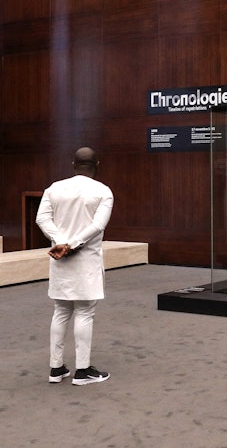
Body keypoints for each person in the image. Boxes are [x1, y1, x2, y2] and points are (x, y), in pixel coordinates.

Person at [36, 147, 114, 385]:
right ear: (97, 164)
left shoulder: (54, 188)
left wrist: (60, 242)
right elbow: (98, 225)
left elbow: (42, 218)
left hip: (60, 260)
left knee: (60, 311)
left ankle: (56, 367)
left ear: (73, 164)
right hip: (85, 261)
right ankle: (82, 371)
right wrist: (72, 244)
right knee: (84, 312)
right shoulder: (103, 191)